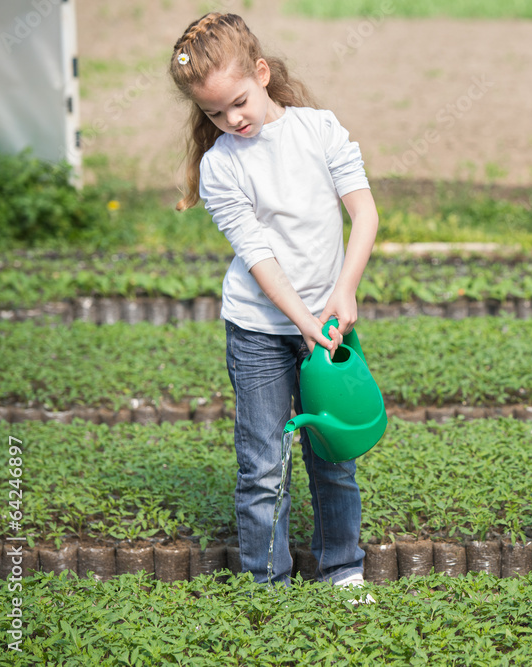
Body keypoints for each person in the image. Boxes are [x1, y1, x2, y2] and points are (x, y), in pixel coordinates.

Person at [169, 13, 379, 587]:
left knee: (333, 454)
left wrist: (344, 290)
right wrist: (302, 320)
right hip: (260, 328)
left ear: (262, 74)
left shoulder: (320, 130)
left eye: (238, 102)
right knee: (264, 465)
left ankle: (343, 569)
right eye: (213, 113)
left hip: (329, 322)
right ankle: (269, 584)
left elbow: (363, 212)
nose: (230, 120)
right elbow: (259, 258)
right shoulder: (220, 167)